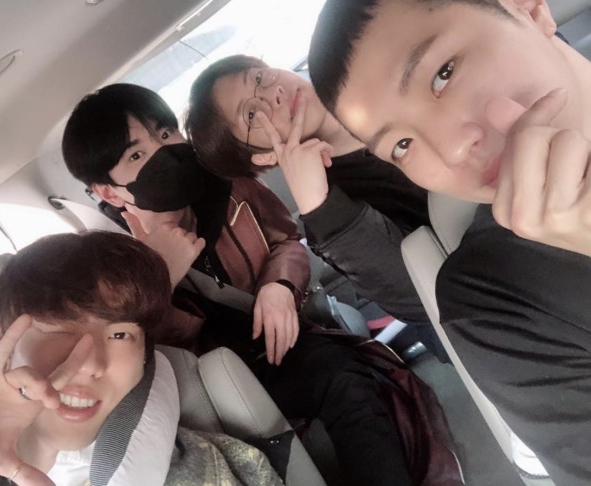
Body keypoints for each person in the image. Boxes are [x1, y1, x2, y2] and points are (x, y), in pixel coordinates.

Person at [61, 83, 463, 486]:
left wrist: (280, 286)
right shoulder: (112, 263)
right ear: (108, 191)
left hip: (287, 341)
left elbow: (287, 239)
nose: (163, 152)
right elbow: (133, 351)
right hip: (214, 379)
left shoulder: (227, 184)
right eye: (136, 155)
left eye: (165, 133)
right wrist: (159, 276)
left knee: (342, 378)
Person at [306, 0, 591, 484]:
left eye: (444, 74)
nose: (452, 149)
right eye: (401, 145)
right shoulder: (491, 301)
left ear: (528, 9)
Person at [0, 231, 283, 486]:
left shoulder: (207, 471)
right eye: (58, 329)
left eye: (120, 336)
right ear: (1, 340)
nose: (91, 364)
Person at [185, 55, 448, 357]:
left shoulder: (390, 91)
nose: (273, 94)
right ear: (264, 156)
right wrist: (319, 206)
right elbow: (425, 299)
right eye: (252, 114)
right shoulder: (329, 216)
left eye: (259, 78)